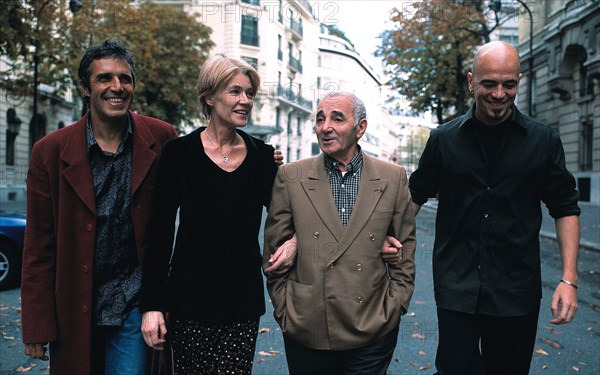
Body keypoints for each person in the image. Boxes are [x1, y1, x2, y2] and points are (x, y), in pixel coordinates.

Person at [385, 41, 580, 375]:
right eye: (489, 83)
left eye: (509, 84)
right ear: (471, 81)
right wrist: (390, 239)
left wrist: (569, 279)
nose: (500, 94)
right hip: (455, 284)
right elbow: (413, 196)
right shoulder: (444, 140)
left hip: (516, 288)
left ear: (519, 81)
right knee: (454, 369)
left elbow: (565, 208)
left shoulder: (543, 141)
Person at [21, 39, 179, 375]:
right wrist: (37, 325)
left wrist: (258, 159)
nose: (117, 87)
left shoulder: (163, 138)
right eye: (105, 78)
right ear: (85, 87)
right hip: (75, 304)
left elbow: (203, 183)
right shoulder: (49, 152)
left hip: (134, 303)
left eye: (125, 78)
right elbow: (38, 247)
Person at [139, 55, 281, 374]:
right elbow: (159, 235)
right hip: (189, 299)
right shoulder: (179, 153)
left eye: (249, 93)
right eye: (235, 91)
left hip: (241, 301)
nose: (245, 100)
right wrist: (152, 306)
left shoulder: (263, 157)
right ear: (209, 96)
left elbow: (286, 218)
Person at [263, 92, 417, 374]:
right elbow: (274, 251)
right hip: (307, 327)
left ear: (360, 128)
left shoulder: (392, 177)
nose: (325, 127)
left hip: (373, 327)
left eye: (337, 118)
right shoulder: (291, 176)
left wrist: (395, 306)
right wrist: (287, 310)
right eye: (320, 119)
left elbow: (406, 246)